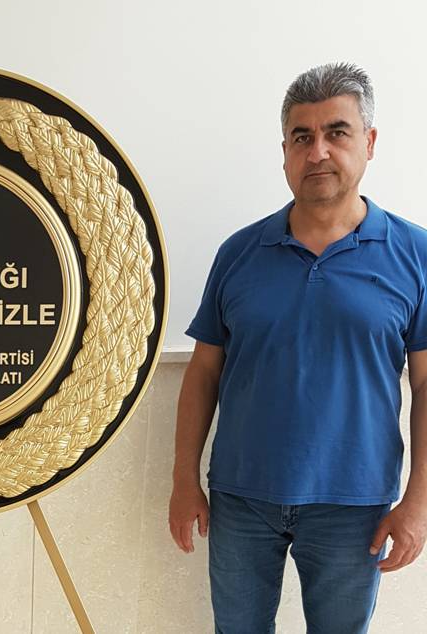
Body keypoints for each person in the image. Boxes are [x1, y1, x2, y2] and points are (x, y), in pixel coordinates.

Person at [168, 62, 427, 633]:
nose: (318, 152)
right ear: (284, 151)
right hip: (240, 497)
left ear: (369, 142)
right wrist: (184, 479)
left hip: (354, 505)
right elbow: (204, 371)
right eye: (302, 137)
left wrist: (419, 501)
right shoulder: (239, 252)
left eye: (337, 132)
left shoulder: (415, 255)